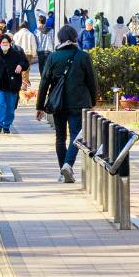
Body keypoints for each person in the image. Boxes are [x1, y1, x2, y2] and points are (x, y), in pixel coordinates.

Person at [35, 25, 99, 183]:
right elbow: (92, 81)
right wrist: (93, 101)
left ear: (60, 39)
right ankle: (68, 165)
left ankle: (62, 170)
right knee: (76, 135)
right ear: (75, 38)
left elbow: (44, 83)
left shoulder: (53, 57)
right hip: (78, 103)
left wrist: (40, 106)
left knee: (60, 137)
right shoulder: (83, 56)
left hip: (57, 104)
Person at [0, 26, 31, 133]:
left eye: (7, 43)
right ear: (0, 44)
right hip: (0, 85)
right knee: (0, 104)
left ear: (9, 43)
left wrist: (20, 65)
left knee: (10, 107)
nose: (5, 45)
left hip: (13, 85)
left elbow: (25, 63)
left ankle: (6, 125)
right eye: (3, 43)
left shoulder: (16, 54)